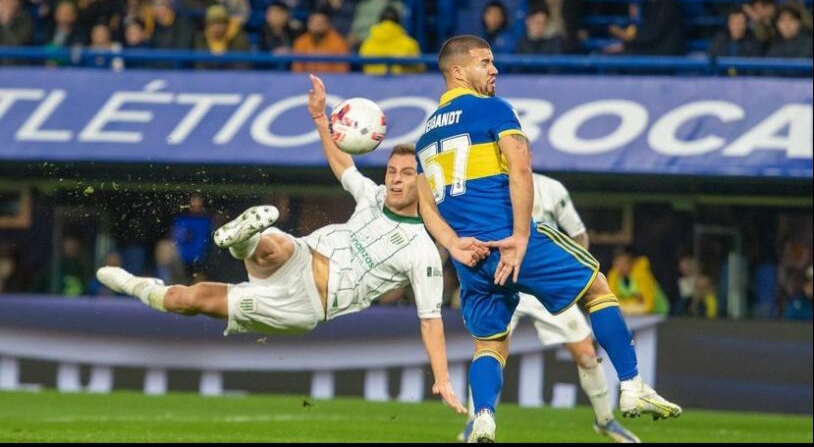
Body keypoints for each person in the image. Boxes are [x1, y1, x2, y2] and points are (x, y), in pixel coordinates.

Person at [97, 74, 485, 416]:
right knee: (278, 243)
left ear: (424, 183)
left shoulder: (423, 250)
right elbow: (343, 166)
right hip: (300, 256)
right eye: (392, 171)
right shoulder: (373, 195)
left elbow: (431, 320)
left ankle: (142, 283)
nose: (396, 179)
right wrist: (320, 117)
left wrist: (442, 378)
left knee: (188, 299)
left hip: (304, 304)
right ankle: (246, 239)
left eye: (406, 174)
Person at [414, 35, 681, 443]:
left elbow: (426, 204)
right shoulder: (493, 109)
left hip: (472, 257)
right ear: (457, 71)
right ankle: (631, 386)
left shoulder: (425, 138)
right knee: (596, 288)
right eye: (484, 62)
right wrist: (520, 237)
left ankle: (483, 417)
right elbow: (522, 169)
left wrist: (452, 245)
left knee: (490, 344)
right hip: (509, 241)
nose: (494, 69)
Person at [459, 173, 640, 443]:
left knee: (586, 353)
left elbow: (579, 235)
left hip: (544, 281)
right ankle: (476, 421)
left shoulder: (552, 188)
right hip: (504, 280)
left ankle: (606, 421)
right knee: (487, 349)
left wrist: (571, 276)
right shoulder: (487, 186)